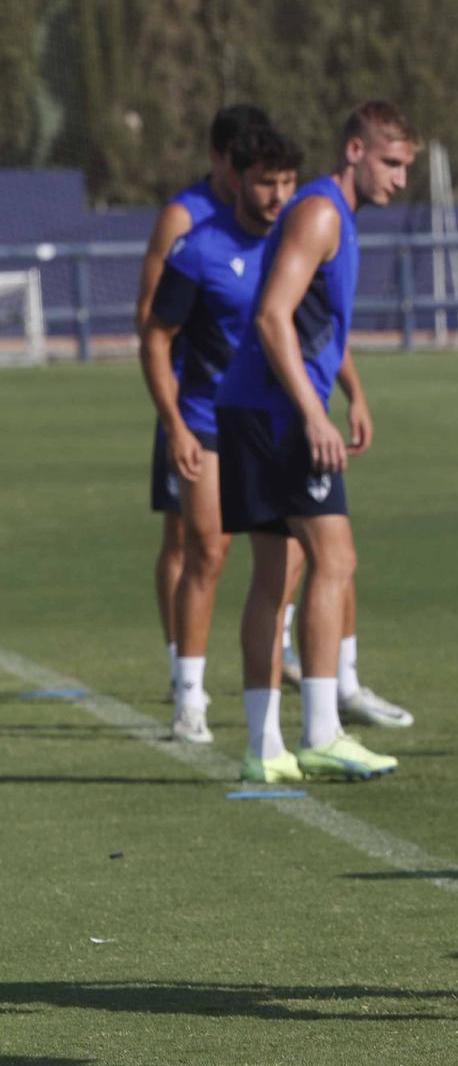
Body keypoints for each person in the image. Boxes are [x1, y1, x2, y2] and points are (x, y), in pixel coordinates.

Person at [216, 101, 416, 784]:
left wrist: (352, 391)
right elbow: (272, 315)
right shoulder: (322, 211)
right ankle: (323, 730)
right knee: (336, 557)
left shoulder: (333, 216)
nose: (401, 179)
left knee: (277, 573)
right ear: (355, 151)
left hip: (254, 407)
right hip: (275, 413)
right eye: (392, 163)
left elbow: (313, 322)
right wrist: (314, 413)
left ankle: (263, 745)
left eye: (407, 166)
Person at [141, 124, 306, 744]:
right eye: (266, 181)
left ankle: (288, 692)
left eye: (288, 182)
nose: (277, 194)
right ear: (236, 179)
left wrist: (353, 393)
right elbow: (155, 338)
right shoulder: (199, 248)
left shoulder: (298, 242)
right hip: (207, 423)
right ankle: (189, 697)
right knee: (207, 552)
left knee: (294, 560)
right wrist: (174, 423)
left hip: (275, 425)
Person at [136, 103, 268, 696]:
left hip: (250, 407)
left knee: (259, 538)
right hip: (191, 399)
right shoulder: (183, 217)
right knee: (188, 541)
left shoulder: (271, 213)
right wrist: (172, 397)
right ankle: (179, 665)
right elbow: (151, 315)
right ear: (217, 159)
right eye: (235, 165)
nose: (243, 179)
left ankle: (276, 646)